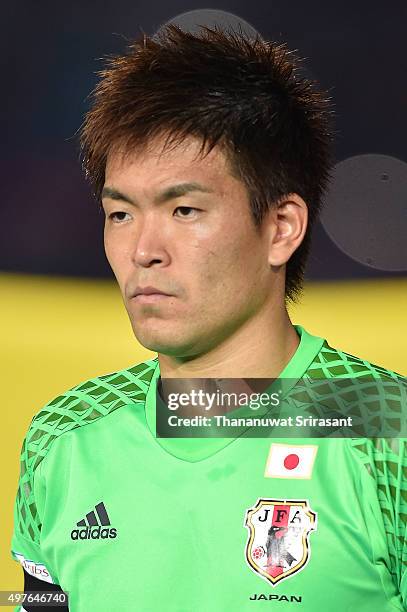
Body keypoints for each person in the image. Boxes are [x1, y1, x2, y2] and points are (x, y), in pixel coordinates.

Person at [11, 24, 406, 612]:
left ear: (281, 228)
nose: (145, 248)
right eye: (120, 214)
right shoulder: (62, 438)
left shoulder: (387, 433)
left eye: (185, 209)